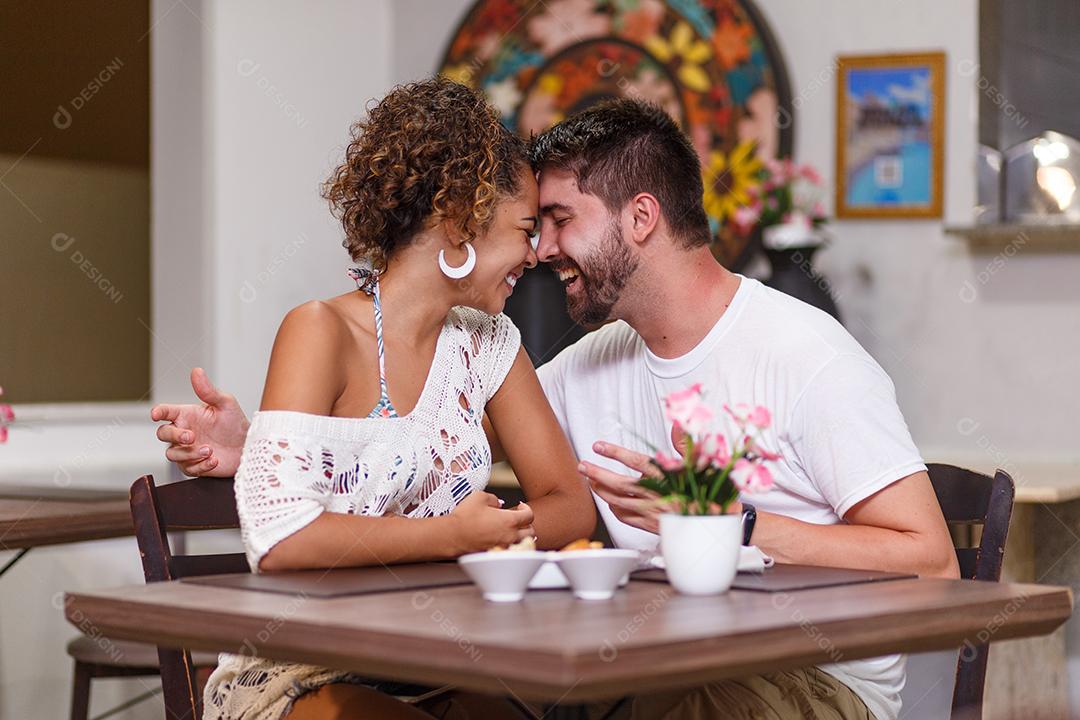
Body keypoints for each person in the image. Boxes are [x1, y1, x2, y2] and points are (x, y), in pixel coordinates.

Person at [154, 98, 959, 720]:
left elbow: (933, 562)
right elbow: (398, 451)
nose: (539, 251)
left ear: (641, 218)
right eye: (528, 227)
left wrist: (727, 522)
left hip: (795, 676)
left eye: (558, 222)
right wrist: (259, 445)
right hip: (651, 663)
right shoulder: (583, 365)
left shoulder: (805, 355)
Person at [163, 77, 594, 720]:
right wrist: (455, 536)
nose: (534, 255)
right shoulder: (320, 331)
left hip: (433, 659)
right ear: (458, 223)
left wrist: (491, 531)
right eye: (525, 230)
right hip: (299, 669)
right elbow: (282, 538)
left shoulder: (489, 342)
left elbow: (572, 506)